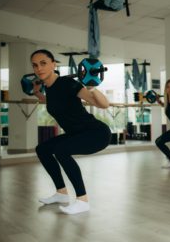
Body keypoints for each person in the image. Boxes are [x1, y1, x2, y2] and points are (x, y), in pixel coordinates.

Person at [31, 49, 111, 215]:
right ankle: (61, 194)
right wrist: (38, 93)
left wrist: (92, 87)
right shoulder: (49, 89)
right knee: (43, 149)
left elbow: (104, 105)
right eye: (35, 65)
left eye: (43, 63)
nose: (39, 68)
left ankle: (82, 201)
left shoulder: (69, 84)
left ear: (54, 64)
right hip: (76, 134)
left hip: (96, 133)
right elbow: (53, 101)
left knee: (61, 150)